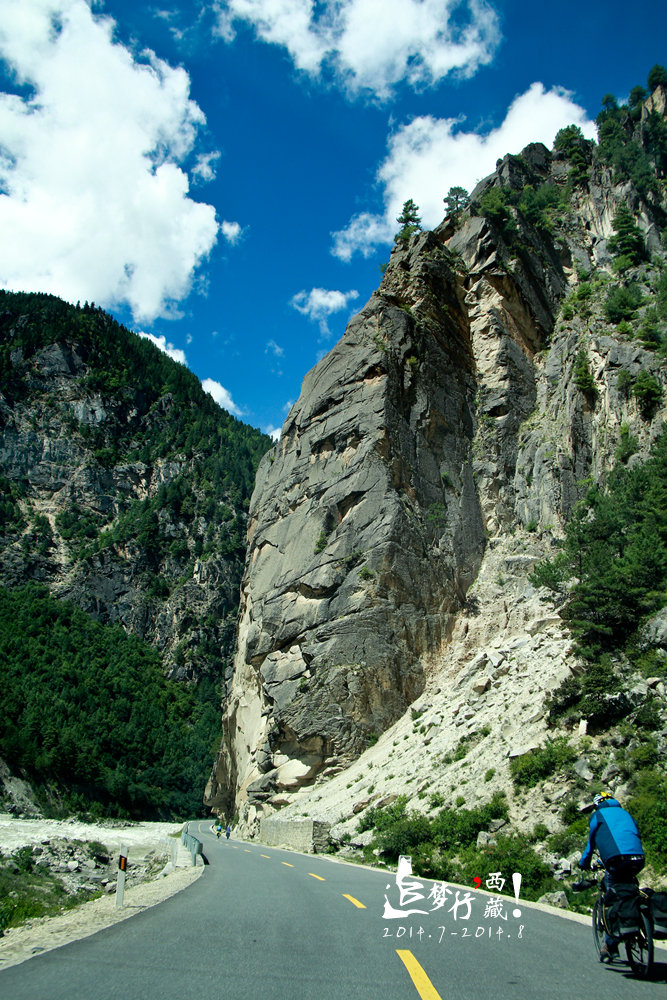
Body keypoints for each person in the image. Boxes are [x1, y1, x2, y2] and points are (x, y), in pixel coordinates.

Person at [579, 791, 645, 962]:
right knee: (630, 889)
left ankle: (610, 945)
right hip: (638, 859)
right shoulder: (626, 814)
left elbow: (591, 843)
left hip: (616, 860)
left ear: (597, 804)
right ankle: (641, 924)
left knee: (612, 896)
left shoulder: (597, 815)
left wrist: (584, 863)